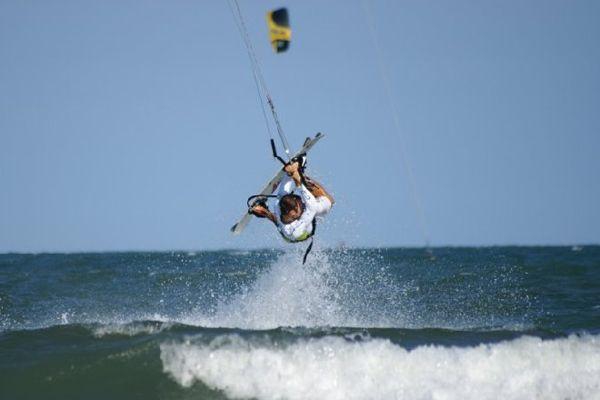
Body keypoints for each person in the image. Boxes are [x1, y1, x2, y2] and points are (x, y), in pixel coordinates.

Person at [248, 156, 334, 243]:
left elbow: (284, 188)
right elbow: (311, 205)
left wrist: (289, 173)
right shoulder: (299, 227)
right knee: (328, 201)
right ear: (295, 211)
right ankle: (301, 172)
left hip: (285, 229)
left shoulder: (278, 205)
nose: (301, 202)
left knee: (277, 218)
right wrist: (297, 172)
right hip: (300, 234)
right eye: (299, 203)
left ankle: (262, 210)